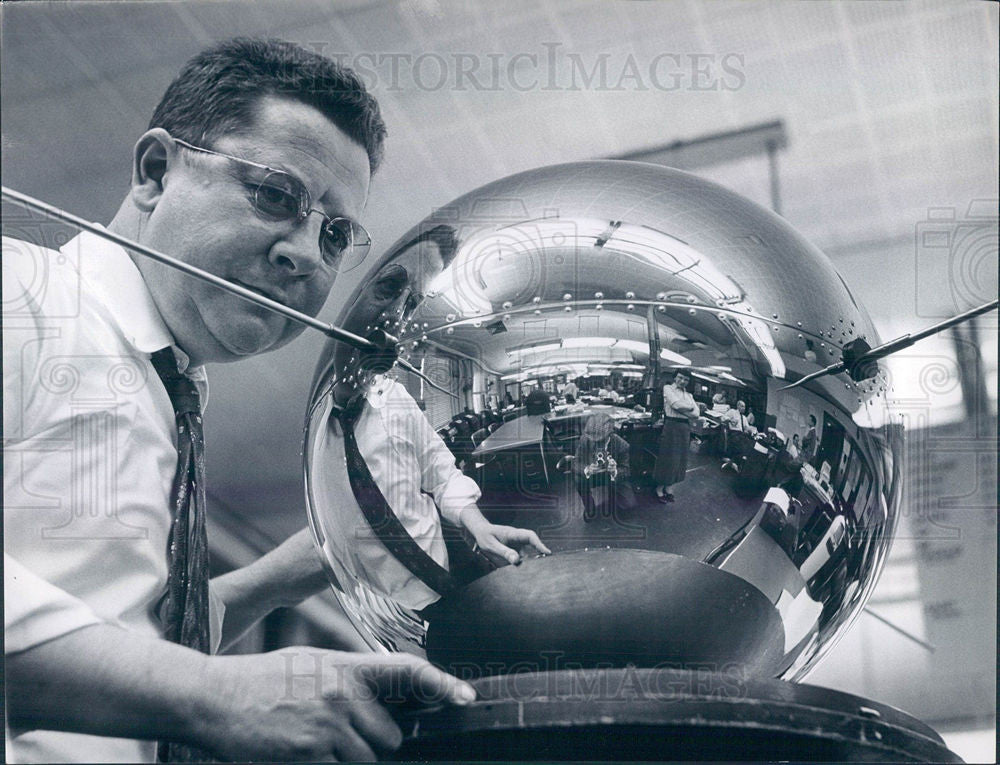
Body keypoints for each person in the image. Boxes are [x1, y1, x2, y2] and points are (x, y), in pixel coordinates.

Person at [3, 38, 476, 763]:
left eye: (335, 232)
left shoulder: (173, 389)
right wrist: (211, 692)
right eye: (276, 195)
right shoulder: (20, 295)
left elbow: (125, 633)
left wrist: (307, 561)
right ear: (156, 171)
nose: (305, 255)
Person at [309, 224, 549, 611]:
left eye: (410, 305)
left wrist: (478, 525)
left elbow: (441, 473)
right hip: (393, 606)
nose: (394, 318)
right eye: (388, 289)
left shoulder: (397, 399)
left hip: (454, 560)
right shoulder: (314, 437)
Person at [569, 412, 635, 521]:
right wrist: (587, 469)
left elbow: (627, 470)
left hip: (611, 477)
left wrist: (615, 471)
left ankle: (613, 494)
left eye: (600, 439)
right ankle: (590, 507)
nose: (596, 442)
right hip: (592, 475)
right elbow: (575, 463)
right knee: (578, 479)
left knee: (629, 504)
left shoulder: (622, 445)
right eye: (593, 439)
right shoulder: (585, 440)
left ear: (610, 434)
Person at [652, 370, 699, 502]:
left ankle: (669, 487)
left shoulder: (688, 394)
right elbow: (675, 404)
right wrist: (689, 408)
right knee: (668, 457)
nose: (682, 381)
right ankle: (659, 488)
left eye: (686, 379)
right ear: (675, 378)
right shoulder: (668, 388)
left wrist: (684, 409)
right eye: (680, 378)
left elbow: (697, 414)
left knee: (680, 459)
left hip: (684, 428)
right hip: (671, 425)